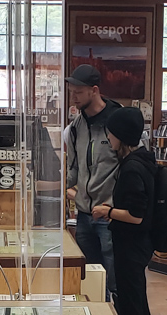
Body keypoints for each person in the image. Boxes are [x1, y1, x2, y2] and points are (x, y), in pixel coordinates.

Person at [92, 107, 154, 315]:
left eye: (111, 133)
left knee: (131, 303)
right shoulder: (145, 160)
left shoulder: (131, 169)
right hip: (139, 245)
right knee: (138, 300)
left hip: (131, 244)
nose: (108, 138)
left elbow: (135, 215)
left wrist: (107, 211)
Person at [65, 64, 122, 301]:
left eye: (78, 91)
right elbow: (74, 168)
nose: (74, 96)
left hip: (109, 217)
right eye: (72, 91)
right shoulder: (76, 127)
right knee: (90, 279)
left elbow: (133, 167)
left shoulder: (117, 121)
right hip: (84, 215)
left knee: (113, 279)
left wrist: (115, 208)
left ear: (94, 90)